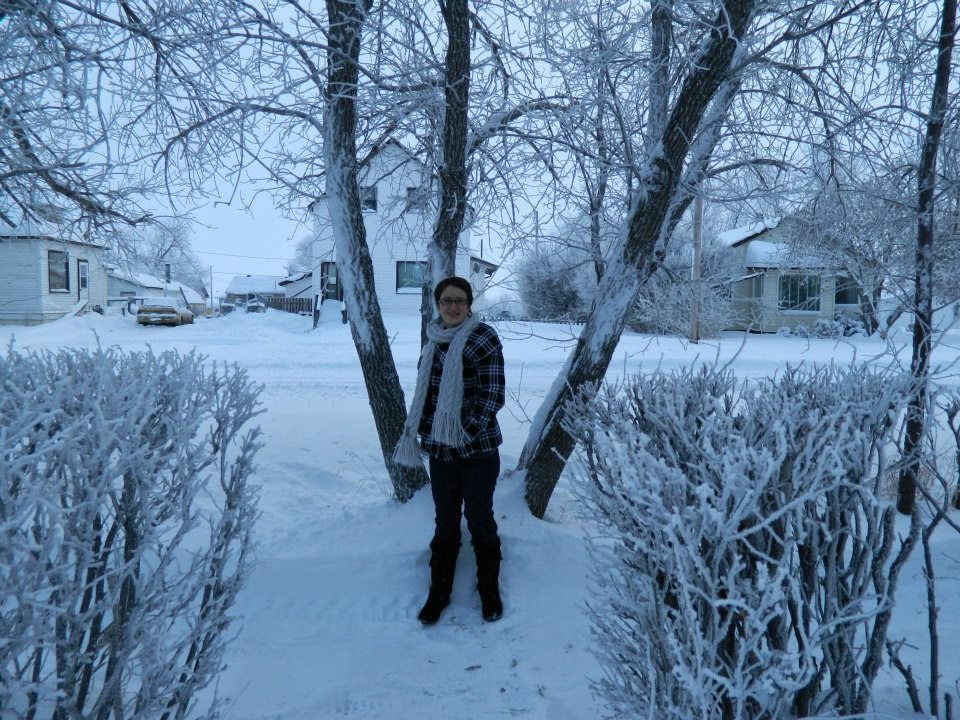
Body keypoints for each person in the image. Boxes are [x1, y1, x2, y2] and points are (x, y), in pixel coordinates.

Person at [393, 276, 506, 625]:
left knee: (480, 520)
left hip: (478, 452)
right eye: (446, 301)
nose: (453, 306)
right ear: (438, 305)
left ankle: (489, 591)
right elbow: (427, 395)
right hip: (441, 455)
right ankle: (438, 593)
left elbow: (491, 397)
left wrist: (459, 434)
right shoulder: (434, 339)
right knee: (445, 524)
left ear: (469, 304)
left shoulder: (484, 337)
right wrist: (425, 431)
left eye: (459, 300)